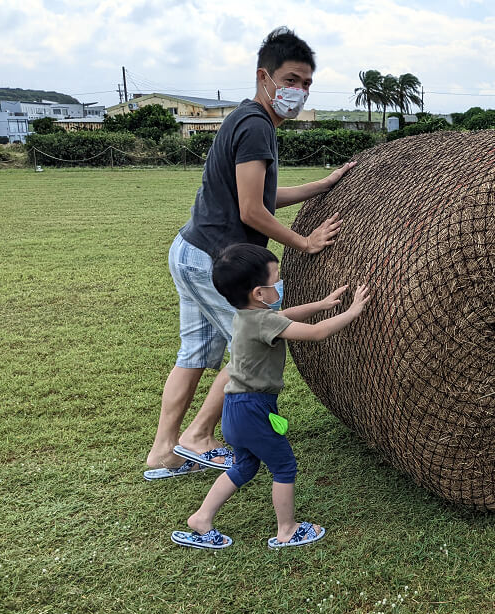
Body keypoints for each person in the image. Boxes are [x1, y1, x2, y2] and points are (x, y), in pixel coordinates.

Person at [144, 26, 356, 480]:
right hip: (216, 260)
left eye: (306, 84)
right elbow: (250, 210)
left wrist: (321, 185)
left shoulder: (244, 118)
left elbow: (262, 195)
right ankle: (198, 437)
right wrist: (304, 241)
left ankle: (164, 451)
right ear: (265, 77)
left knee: (196, 353)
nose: (298, 92)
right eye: (292, 80)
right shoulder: (257, 126)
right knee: (245, 352)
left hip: (190, 251)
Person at [171, 244, 370, 549]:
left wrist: (321, 304)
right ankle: (287, 529)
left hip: (235, 409)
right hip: (254, 409)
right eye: (275, 277)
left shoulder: (245, 316)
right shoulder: (264, 321)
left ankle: (202, 518)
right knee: (284, 466)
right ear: (258, 293)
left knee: (244, 467)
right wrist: (354, 311)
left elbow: (285, 316)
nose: (280, 282)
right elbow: (316, 334)